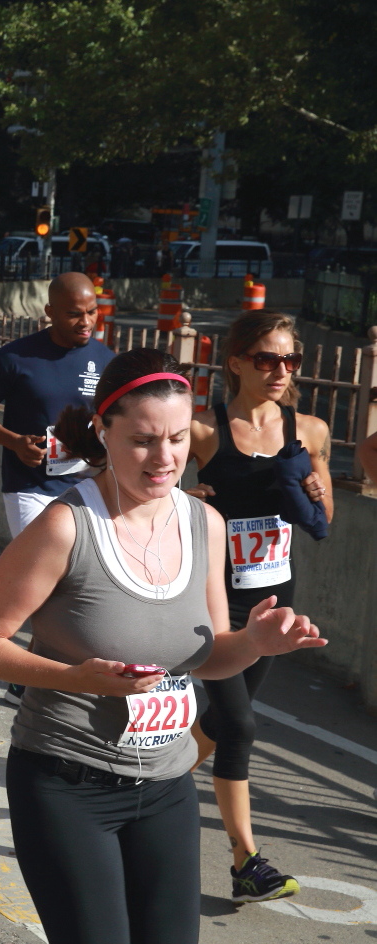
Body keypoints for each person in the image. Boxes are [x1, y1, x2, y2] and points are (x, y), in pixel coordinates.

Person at [0, 348, 325, 944]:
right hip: (66, 784)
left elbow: (210, 656)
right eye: (143, 441)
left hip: (166, 788)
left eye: (177, 439)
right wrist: (79, 678)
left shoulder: (204, 524)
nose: (164, 458)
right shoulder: (65, 526)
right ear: (104, 431)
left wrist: (255, 643)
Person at [186, 310, 332, 902]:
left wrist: (317, 492)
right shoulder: (203, 430)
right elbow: (142, 480)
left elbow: (324, 517)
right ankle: (246, 861)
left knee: (224, 721)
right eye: (267, 358)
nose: (280, 370)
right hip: (215, 596)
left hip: (275, 596)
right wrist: (184, 496)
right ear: (237, 362)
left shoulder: (311, 431)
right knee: (241, 724)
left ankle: (137, 787)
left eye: (290, 359)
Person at [0, 272, 116, 705]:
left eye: (92, 312)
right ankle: (32, 675)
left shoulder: (107, 361)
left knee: (79, 584)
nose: (85, 322)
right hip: (30, 487)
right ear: (49, 312)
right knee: (49, 583)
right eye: (73, 314)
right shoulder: (17, 357)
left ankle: (37, 673)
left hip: (87, 488)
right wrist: (14, 441)